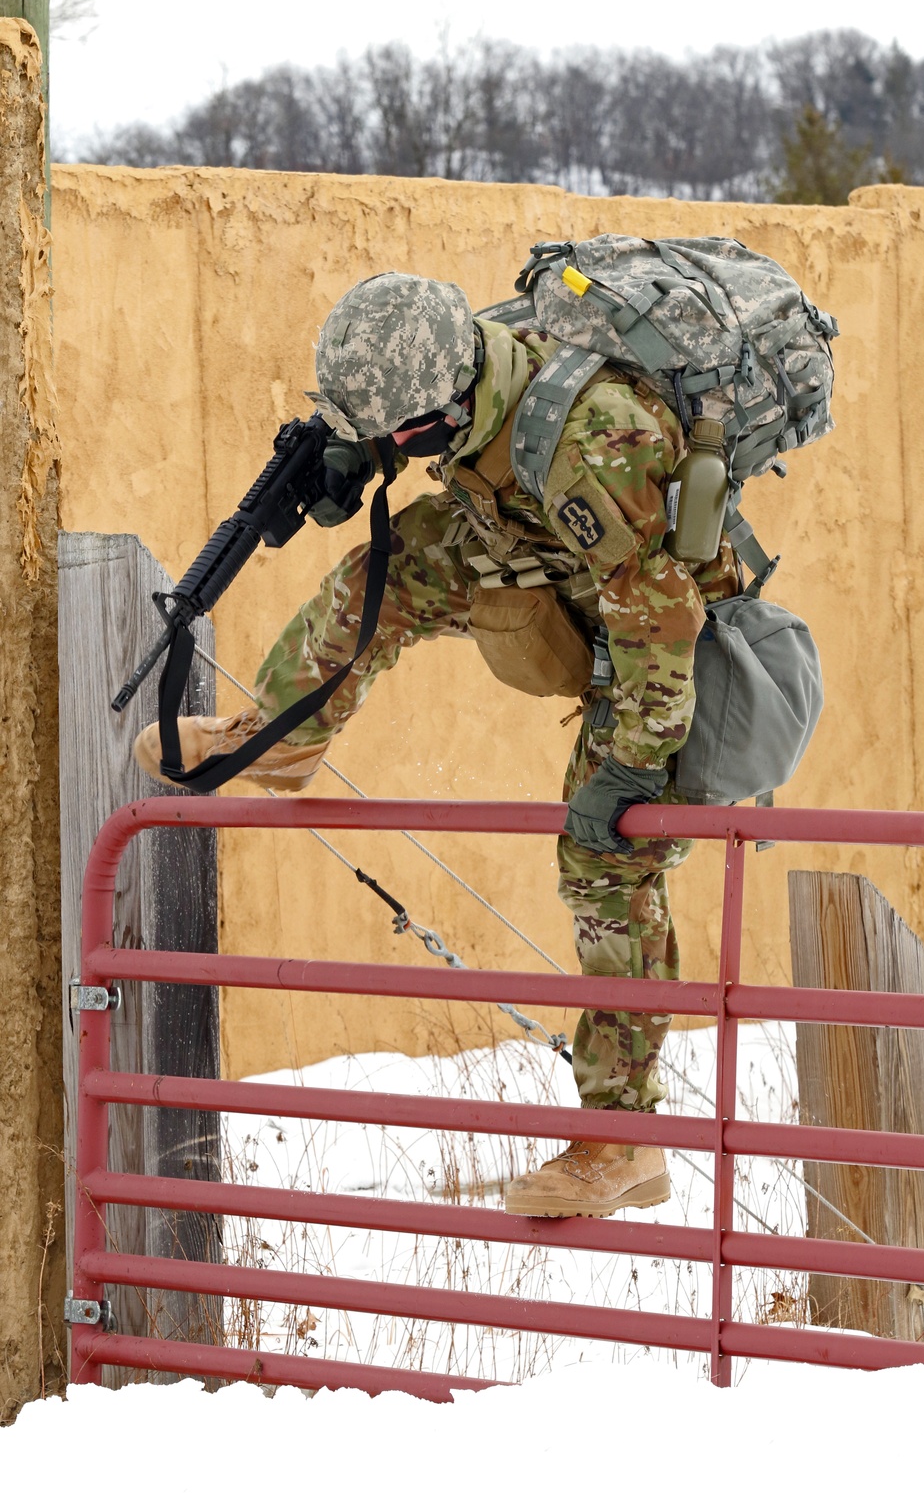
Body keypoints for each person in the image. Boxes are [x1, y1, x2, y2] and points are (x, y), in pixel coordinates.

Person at [134, 271, 740, 1219]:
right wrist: (343, 468)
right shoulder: (454, 361)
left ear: (440, 409)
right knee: (393, 565)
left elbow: (660, 613)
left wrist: (625, 772)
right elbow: (409, 459)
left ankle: (626, 1138)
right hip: (539, 548)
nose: (393, 446)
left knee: (603, 862)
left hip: (656, 633)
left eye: (396, 434)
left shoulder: (594, 438)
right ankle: (283, 739)